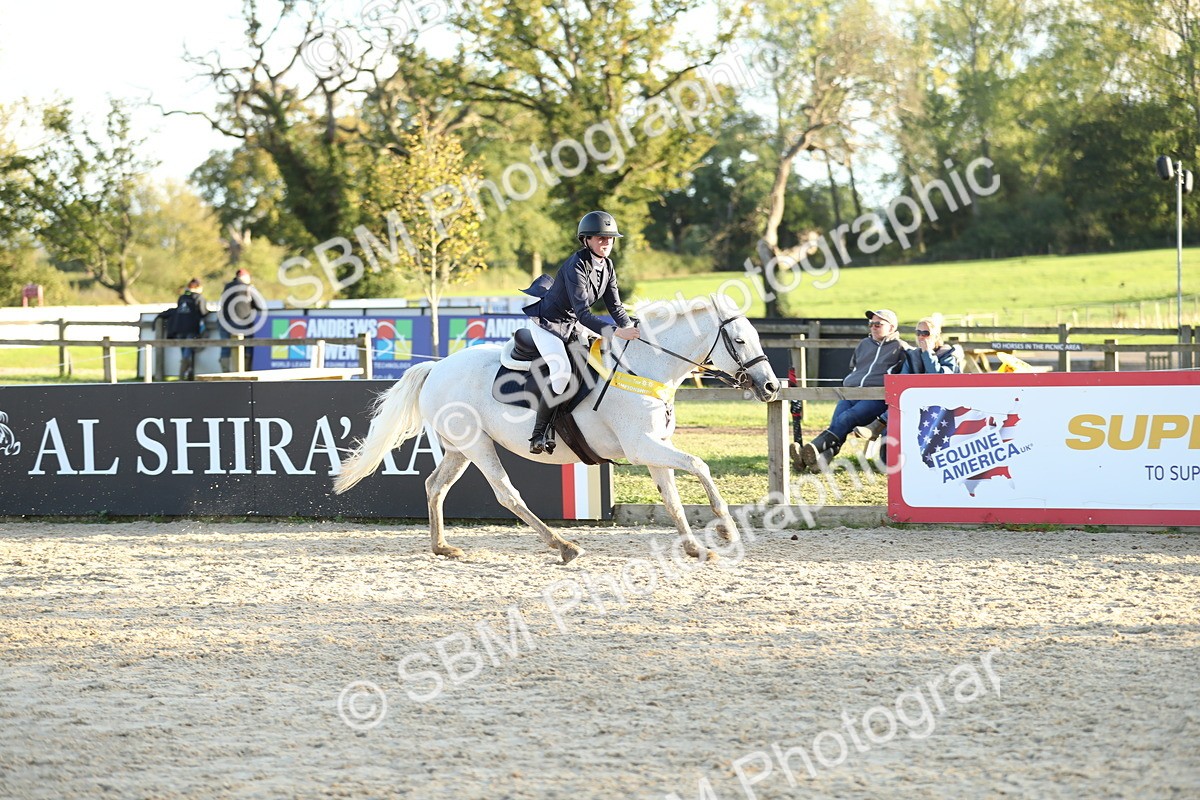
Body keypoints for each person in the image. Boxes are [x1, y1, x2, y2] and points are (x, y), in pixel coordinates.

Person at [520, 210, 641, 454]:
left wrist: (630, 327)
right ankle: (538, 433)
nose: (606, 242)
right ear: (586, 240)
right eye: (600, 238)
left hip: (572, 323)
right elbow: (585, 313)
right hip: (549, 324)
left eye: (609, 238)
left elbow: (615, 306)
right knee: (563, 372)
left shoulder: (607, 266)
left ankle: (567, 422)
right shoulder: (576, 266)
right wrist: (616, 333)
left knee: (590, 368)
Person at [795, 309, 910, 472]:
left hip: (876, 398)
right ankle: (818, 461)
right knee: (837, 422)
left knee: (846, 419)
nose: (873, 327)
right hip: (851, 393)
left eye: (878, 324)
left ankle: (811, 448)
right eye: (871, 324)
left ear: (891, 328)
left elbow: (907, 374)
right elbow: (854, 366)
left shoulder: (901, 348)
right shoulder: (864, 344)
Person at [856, 313, 963, 464]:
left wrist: (928, 354)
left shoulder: (948, 355)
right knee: (892, 428)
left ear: (936, 335)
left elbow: (939, 379)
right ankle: (886, 448)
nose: (921, 337)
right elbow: (903, 382)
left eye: (926, 333)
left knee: (896, 418)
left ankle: (878, 424)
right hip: (914, 404)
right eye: (918, 333)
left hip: (940, 404)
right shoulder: (913, 355)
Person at [219, 268, 264, 372]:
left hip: (224, 321)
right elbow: (260, 305)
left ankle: (225, 373)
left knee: (225, 348)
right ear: (245, 277)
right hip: (241, 321)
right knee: (245, 346)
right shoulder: (248, 287)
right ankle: (243, 372)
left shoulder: (227, 286)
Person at [167, 278, 206, 381]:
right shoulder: (199, 297)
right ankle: (182, 376)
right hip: (191, 328)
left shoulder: (182, 297)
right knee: (187, 353)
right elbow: (203, 312)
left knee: (184, 351)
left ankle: (187, 374)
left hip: (179, 328)